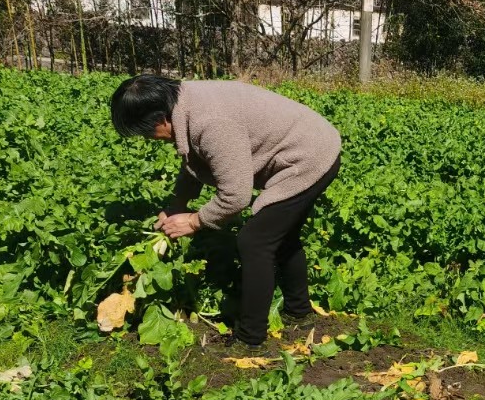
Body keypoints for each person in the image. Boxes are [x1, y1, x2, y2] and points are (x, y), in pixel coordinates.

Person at [109, 74, 341, 348]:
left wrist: (195, 221)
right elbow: (193, 159)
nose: (152, 139)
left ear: (161, 119)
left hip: (308, 157)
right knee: (280, 235)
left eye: (148, 133)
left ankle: (251, 337)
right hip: (312, 141)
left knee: (255, 241)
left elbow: (236, 196)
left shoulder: (211, 124)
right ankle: (299, 313)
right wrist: (177, 206)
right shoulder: (184, 103)